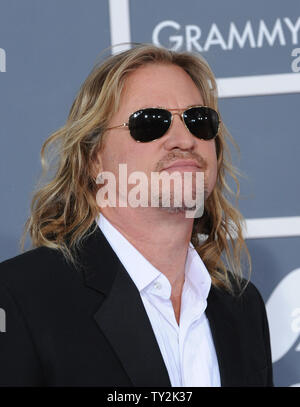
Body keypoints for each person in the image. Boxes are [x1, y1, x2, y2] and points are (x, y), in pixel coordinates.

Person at [0, 44, 273, 387]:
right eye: (150, 123)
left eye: (198, 120)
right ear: (93, 158)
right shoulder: (20, 299)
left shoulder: (243, 309)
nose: (184, 139)